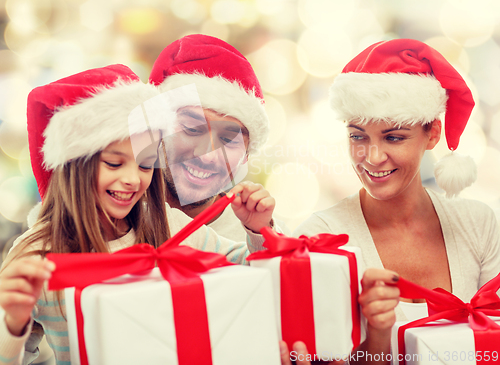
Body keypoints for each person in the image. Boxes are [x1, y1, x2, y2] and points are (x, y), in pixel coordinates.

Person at [0, 65, 275, 365]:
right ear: (75, 167)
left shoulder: (169, 225)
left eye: (145, 165)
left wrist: (257, 230)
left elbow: (250, 271)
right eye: (114, 164)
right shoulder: (36, 254)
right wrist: (12, 325)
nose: (133, 179)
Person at [286, 39, 500, 364]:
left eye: (394, 137)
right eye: (357, 136)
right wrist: (377, 336)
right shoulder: (319, 238)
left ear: (432, 133)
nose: (372, 157)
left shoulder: (477, 224)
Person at [149, 34, 281, 241]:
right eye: (192, 129)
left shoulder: (263, 235)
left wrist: (263, 236)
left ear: (246, 154)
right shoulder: (113, 220)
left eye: (228, 140)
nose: (207, 156)